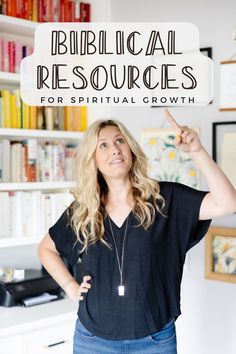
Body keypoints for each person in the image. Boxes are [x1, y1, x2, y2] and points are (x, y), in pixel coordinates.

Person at [38, 109, 236, 354]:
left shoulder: (166, 198)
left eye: (120, 140)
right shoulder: (84, 210)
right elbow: (46, 249)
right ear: (93, 160)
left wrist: (197, 151)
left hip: (154, 341)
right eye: (103, 145)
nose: (115, 149)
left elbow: (228, 203)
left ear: (130, 148)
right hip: (92, 340)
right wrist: (69, 285)